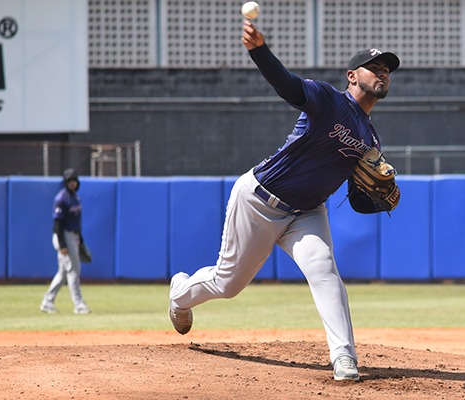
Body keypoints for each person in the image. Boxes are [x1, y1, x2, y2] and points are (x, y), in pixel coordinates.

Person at [168, 20, 401, 381]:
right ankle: (181, 293)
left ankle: (344, 357)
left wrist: (382, 200)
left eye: (387, 70)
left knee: (324, 269)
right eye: (375, 68)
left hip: (307, 213)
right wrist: (260, 50)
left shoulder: (371, 139)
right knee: (227, 284)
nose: (382, 74)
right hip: (259, 200)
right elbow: (288, 86)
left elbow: (356, 200)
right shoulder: (327, 100)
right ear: (352, 76)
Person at [40, 168, 91, 315]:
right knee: (74, 271)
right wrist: (62, 244)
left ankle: (47, 301)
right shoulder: (62, 198)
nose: (72, 183)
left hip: (73, 235)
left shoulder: (75, 197)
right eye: (69, 180)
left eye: (74, 180)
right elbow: (57, 224)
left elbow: (76, 221)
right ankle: (79, 304)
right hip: (64, 236)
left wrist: (80, 240)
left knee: (63, 272)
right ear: (65, 182)